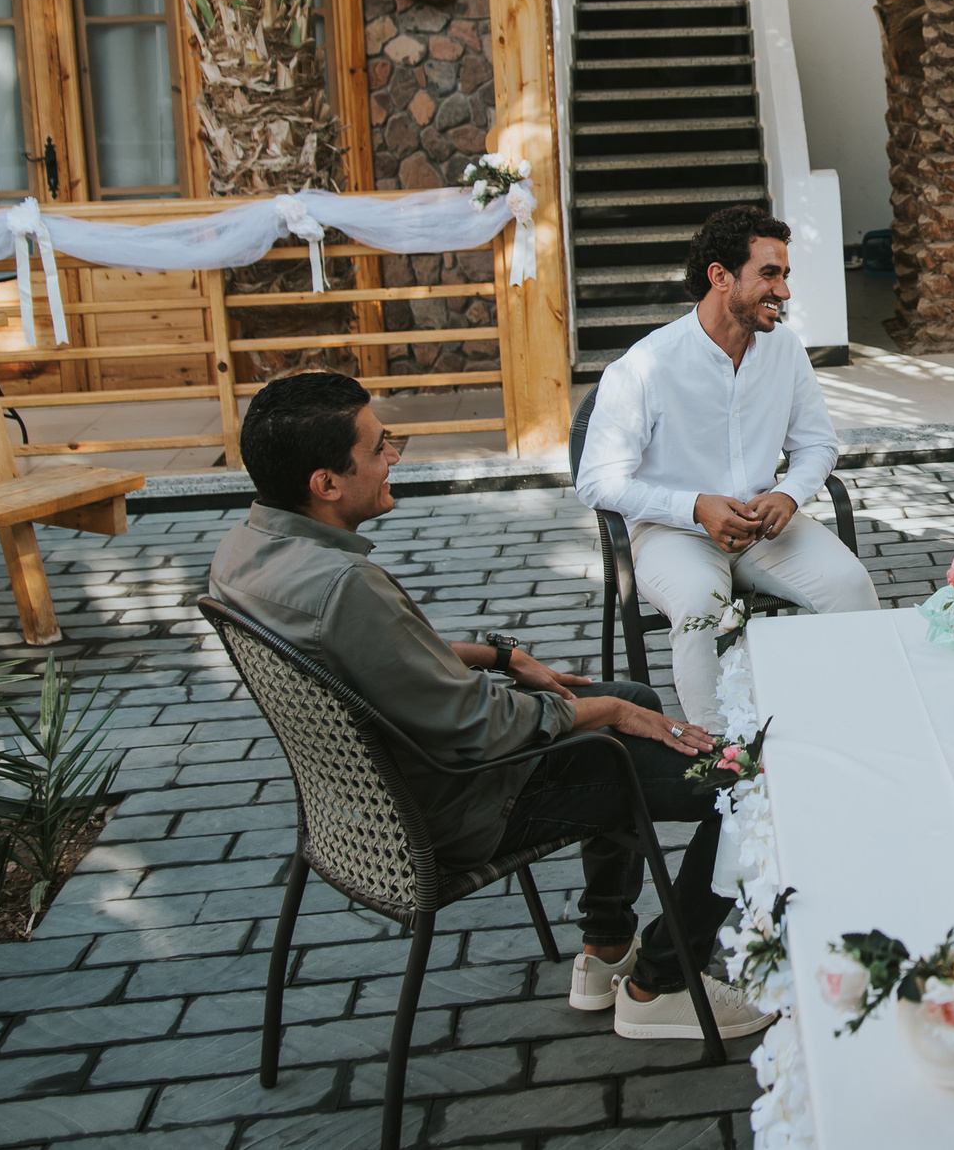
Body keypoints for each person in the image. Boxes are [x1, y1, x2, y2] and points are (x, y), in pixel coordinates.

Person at [206, 371, 772, 1042]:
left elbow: (383, 655)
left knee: (632, 694)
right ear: (325, 483)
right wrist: (605, 717)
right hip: (465, 801)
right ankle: (661, 982)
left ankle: (605, 948)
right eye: (379, 445)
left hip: (372, 801)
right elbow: (482, 727)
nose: (394, 456)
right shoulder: (345, 586)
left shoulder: (246, 549)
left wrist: (503, 657)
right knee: (746, 786)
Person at [575, 205, 878, 733]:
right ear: (720, 277)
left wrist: (789, 494)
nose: (783, 292)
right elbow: (596, 479)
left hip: (766, 525)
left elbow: (816, 445)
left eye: (785, 276)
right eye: (769, 274)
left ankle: (850, 721)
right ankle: (725, 759)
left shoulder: (784, 350)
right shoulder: (646, 365)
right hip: (673, 533)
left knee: (850, 584)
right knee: (699, 609)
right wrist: (694, 507)